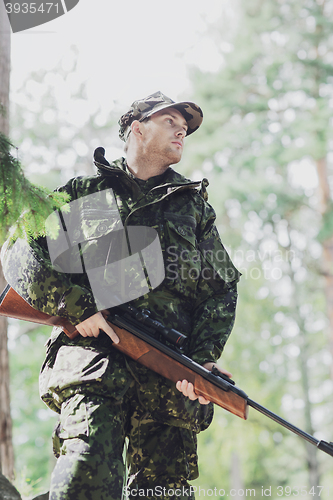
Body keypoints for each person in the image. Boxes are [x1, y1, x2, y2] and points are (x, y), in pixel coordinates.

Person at [1, 91, 240, 499]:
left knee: (163, 494)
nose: (182, 131)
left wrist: (201, 361)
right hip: (94, 368)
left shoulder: (192, 208)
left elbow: (220, 290)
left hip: (167, 381)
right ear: (137, 128)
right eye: (170, 122)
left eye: (186, 129)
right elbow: (22, 253)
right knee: (84, 482)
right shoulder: (90, 195)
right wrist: (77, 307)